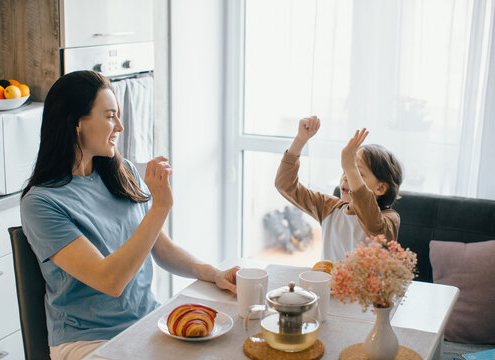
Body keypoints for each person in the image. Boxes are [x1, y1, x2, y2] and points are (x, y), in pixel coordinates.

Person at [20, 70, 239, 360]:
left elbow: (162, 248)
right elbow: (110, 281)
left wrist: (213, 273)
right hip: (88, 342)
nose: (120, 126)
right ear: (76, 123)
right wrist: (159, 208)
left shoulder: (122, 174)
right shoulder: (42, 202)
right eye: (110, 116)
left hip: (146, 324)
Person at [275, 116, 403, 261]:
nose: (346, 176)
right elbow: (285, 184)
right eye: (345, 170)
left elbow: (374, 226)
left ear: (380, 188)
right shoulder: (329, 208)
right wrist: (300, 140)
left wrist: (350, 167)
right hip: (327, 283)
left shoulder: (390, 219)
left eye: (357, 173)